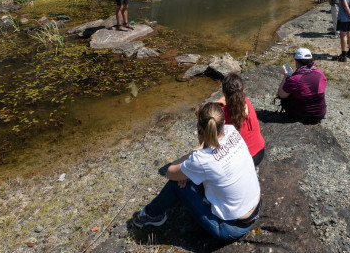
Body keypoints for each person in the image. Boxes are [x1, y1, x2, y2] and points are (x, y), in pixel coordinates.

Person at [132, 103, 261, 240]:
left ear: (200, 129)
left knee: (176, 184)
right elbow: (213, 156)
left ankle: (148, 215)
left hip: (231, 228)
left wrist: (193, 157)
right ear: (223, 122)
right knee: (195, 174)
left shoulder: (201, 159)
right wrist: (192, 167)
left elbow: (170, 172)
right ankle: (190, 176)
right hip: (256, 207)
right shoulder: (232, 131)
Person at [214, 73, 266, 166]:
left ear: (223, 92)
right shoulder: (246, 101)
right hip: (260, 152)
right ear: (242, 90)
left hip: (245, 161)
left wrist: (215, 103)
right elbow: (231, 97)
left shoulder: (222, 113)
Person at [277, 48, 327, 122]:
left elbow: (281, 95)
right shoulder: (320, 73)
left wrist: (286, 77)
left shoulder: (294, 79)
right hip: (321, 114)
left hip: (302, 115)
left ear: (297, 62)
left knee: (287, 94)